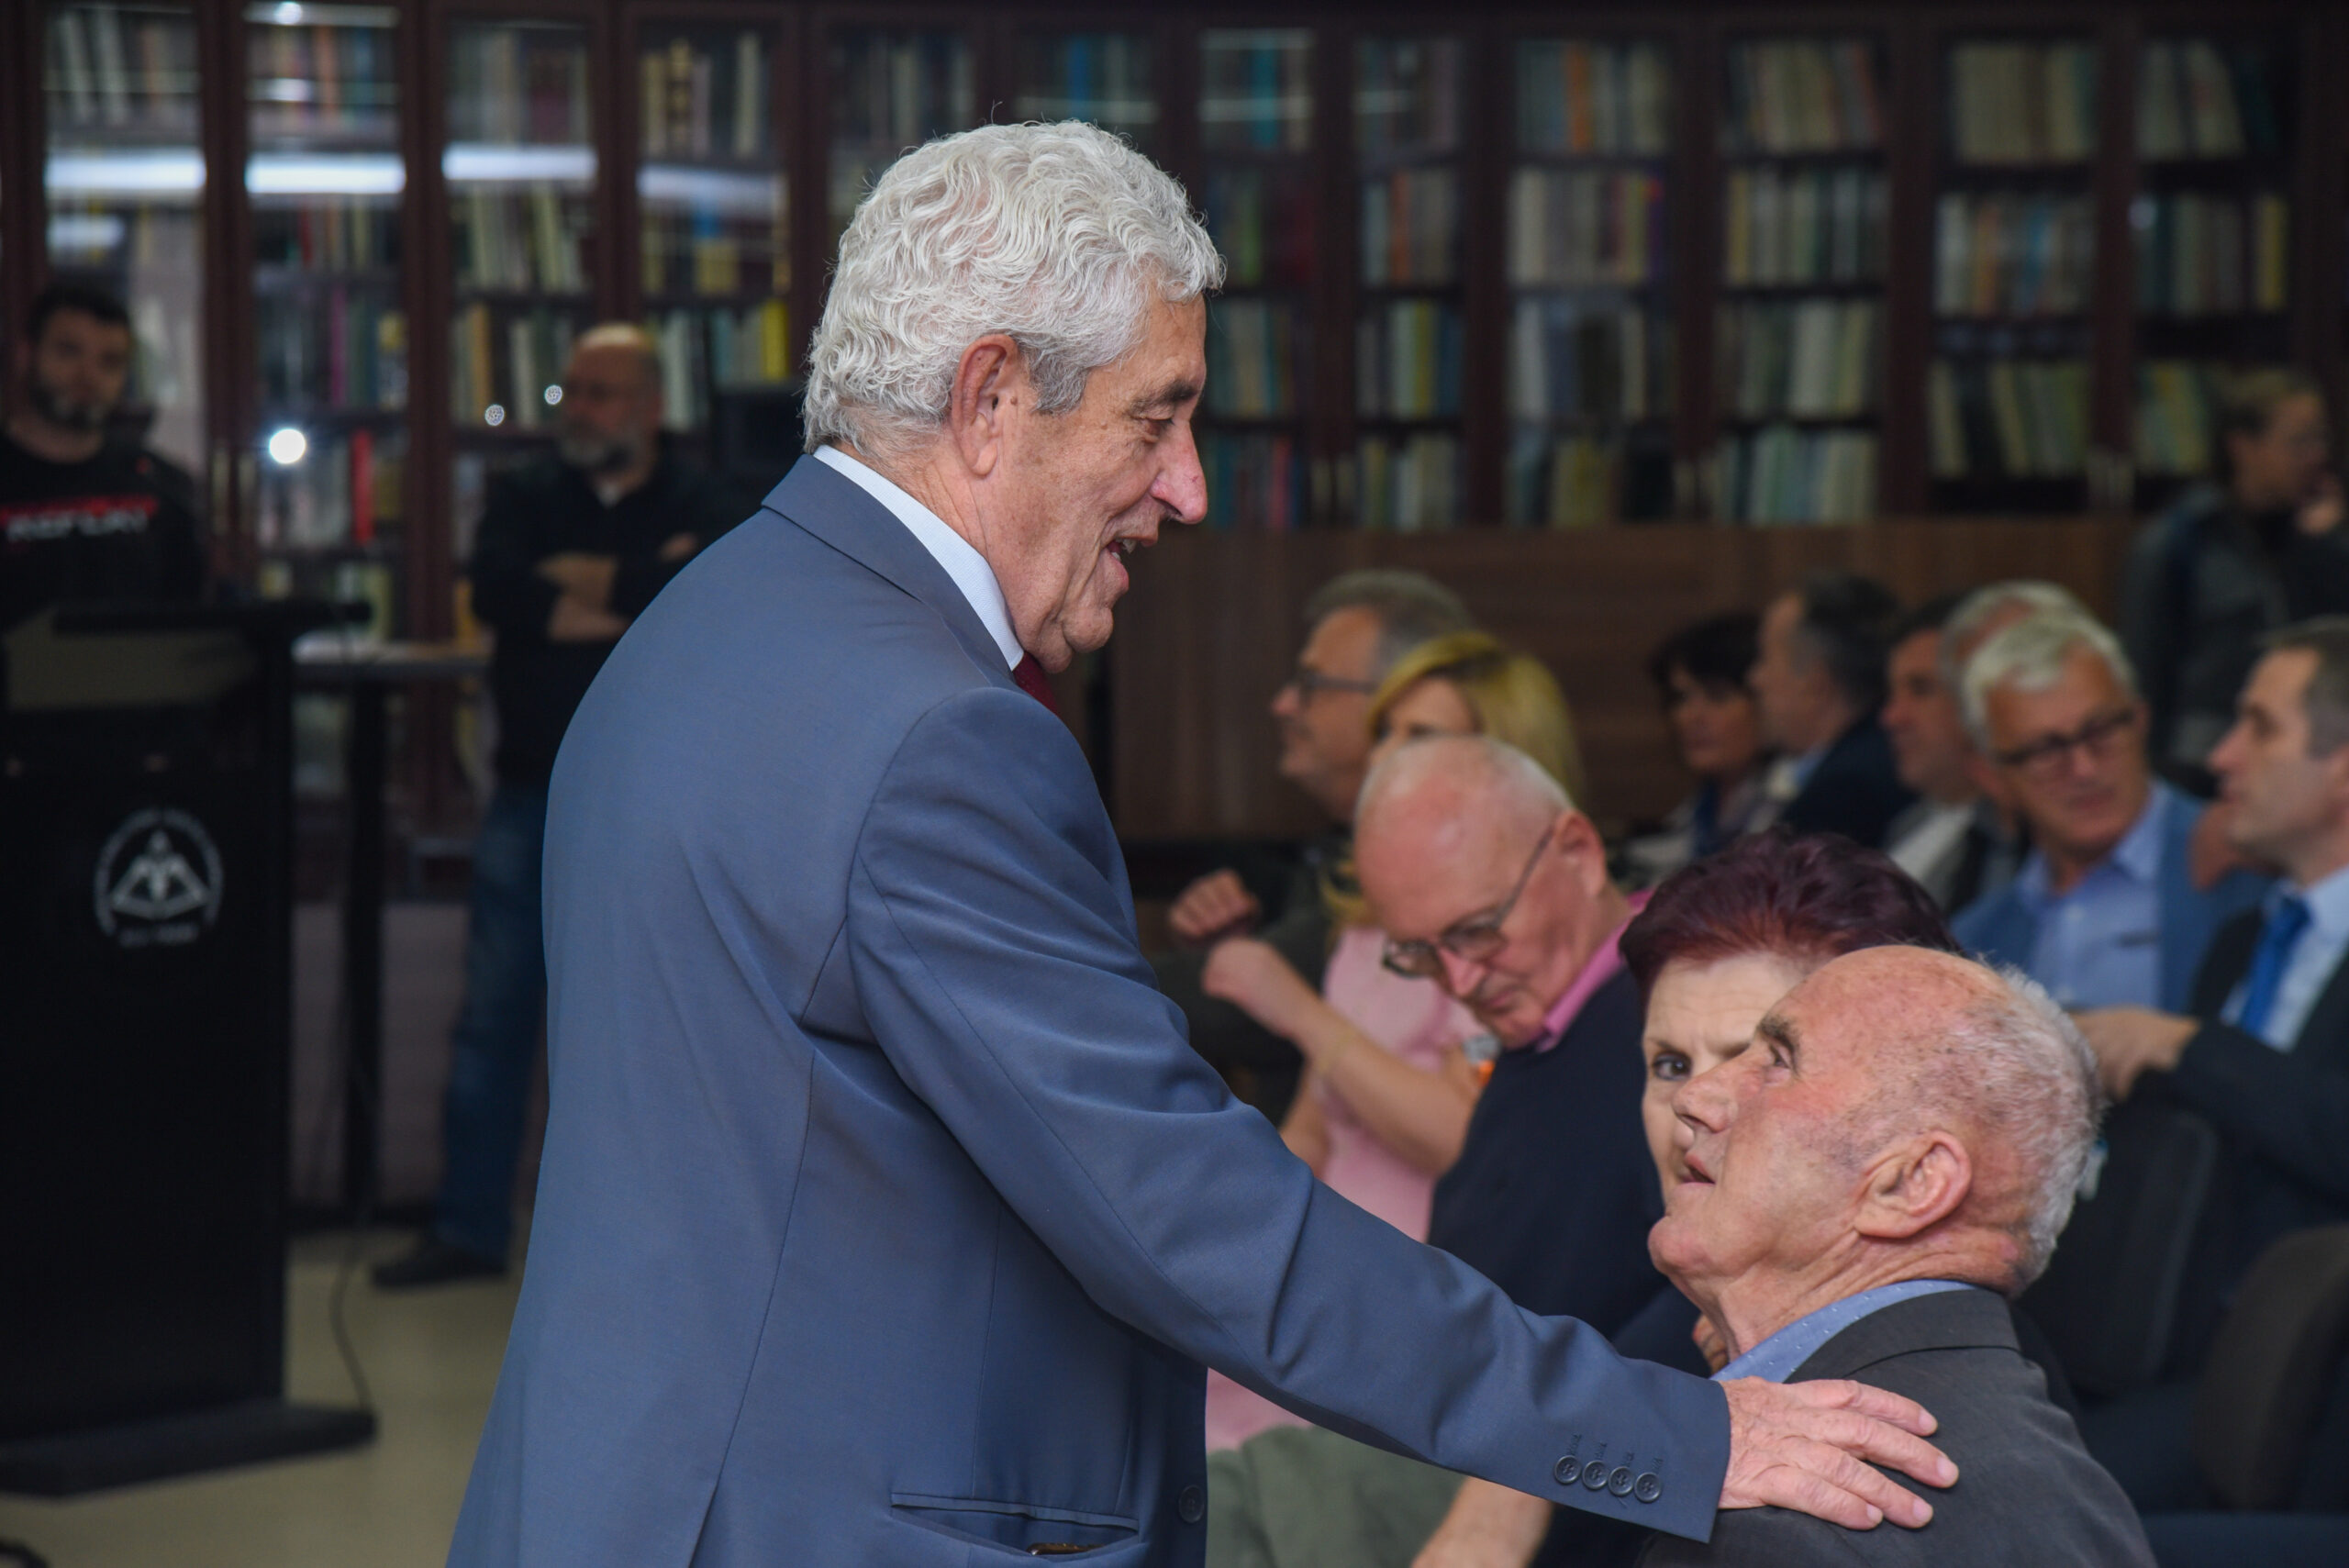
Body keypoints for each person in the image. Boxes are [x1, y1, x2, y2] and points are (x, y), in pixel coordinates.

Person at [448, 124, 1956, 1566]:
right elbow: (1188, 1215)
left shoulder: (702, 623)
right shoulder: (941, 738)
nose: (1189, 487)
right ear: (990, 398)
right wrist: (1676, 1430)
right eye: (1155, 417)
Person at [1403, 831, 1965, 1568]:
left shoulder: (1920, 1417)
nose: (1691, 1103)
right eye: (1670, 1063)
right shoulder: (1695, 1337)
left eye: (1761, 1061)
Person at [1208, 734, 1690, 1562]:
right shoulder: (1541, 1022)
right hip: (1452, 1431)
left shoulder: (1678, 1014)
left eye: (1478, 930)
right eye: (1422, 953)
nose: (1460, 983)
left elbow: (1718, 1300)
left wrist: (1526, 1482)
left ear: (1578, 853)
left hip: (1538, 1477)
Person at [373, 323, 742, 1289]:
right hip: (531, 790)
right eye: (571, 391)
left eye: (599, 393)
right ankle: (467, 1229)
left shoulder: (704, 500)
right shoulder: (524, 494)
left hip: (662, 803)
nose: (577, 409)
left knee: (653, 1026)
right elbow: (499, 590)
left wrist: (582, 583)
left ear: (651, 406)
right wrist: (637, 590)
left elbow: (707, 593)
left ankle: (649, 1247)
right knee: (494, 1017)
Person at [1641, 947, 2155, 1565]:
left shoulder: (1778, 1523)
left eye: (1778, 1061)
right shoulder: (2081, 1496)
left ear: (1910, 1184)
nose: (1694, 1097)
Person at [1195, 632, 1578, 1449]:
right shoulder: (1369, 930)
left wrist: (1300, 1011)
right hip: (1320, 1274)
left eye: (1420, 735)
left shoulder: (1487, 947)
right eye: (1385, 732)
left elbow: (1465, 1138)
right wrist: (1240, 1242)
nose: (1385, 756)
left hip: (1412, 1293)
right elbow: (1312, 1127)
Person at [2072, 618, 2349, 1508]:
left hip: (2313, 1375)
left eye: (2259, 726)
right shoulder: (2244, 935)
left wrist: (2191, 1046)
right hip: (2167, 1333)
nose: (2222, 756)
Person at [1153, 569, 1473, 1120]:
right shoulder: (1339, 853)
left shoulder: (1439, 879)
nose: (1282, 704)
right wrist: (1234, 951)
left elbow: (1239, 1009)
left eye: (1311, 684)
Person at [1953, 611, 2267, 1011]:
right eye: (2046, 751)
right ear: (1992, 776)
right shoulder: (1976, 941)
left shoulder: (2252, 861)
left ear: (2141, 721)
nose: (2083, 769)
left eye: (2100, 731)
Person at [2119, 368, 2349, 789]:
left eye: (2321, 440)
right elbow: (2145, 672)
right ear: (2243, 447)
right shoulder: (2180, 541)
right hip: (2200, 763)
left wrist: (2330, 545)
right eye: (2299, 442)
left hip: (2301, 757)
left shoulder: (2314, 537)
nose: (2316, 456)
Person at [1, 282, 206, 632]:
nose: (88, 376)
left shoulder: (160, 484)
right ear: (26, 355)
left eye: (109, 362)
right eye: (69, 352)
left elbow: (189, 622)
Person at [1748, 572, 1913, 850]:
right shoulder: (1870, 758)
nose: (1754, 678)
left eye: (1765, 658)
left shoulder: (1845, 793)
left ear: (1816, 684)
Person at [1879, 593, 2020, 913]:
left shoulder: (2010, 842)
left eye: (1920, 689)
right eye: (1892, 693)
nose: (1891, 717)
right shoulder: (1908, 823)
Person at [1625, 613, 1770, 882]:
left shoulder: (1799, 812)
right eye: (1680, 698)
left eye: (1717, 696)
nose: (1690, 716)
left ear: (1765, 699)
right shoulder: (1691, 817)